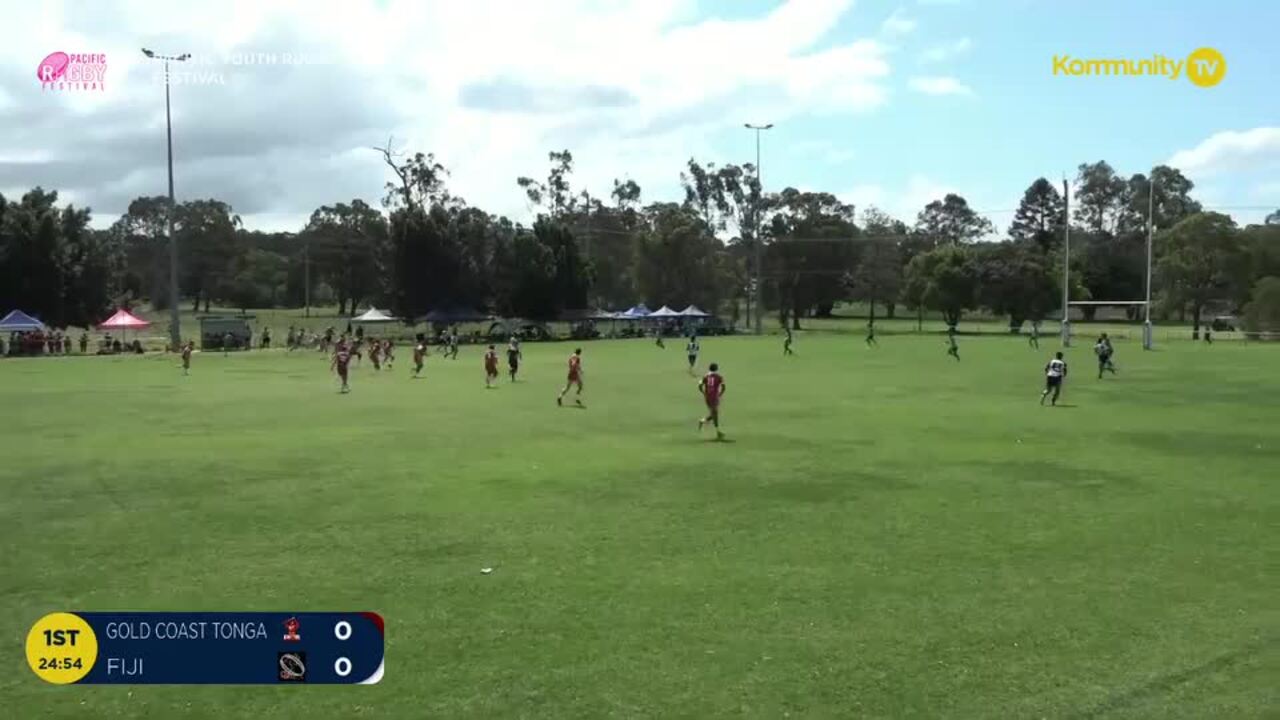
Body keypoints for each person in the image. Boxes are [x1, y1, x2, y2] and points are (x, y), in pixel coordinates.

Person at [697, 362, 727, 440]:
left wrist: (703, 393)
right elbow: (724, 387)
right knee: (715, 413)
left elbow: (699, 385)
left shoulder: (705, 376)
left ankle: (703, 421)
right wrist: (720, 394)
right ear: (717, 369)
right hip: (714, 397)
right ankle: (718, 432)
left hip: (708, 397)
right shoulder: (719, 377)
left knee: (714, 412)